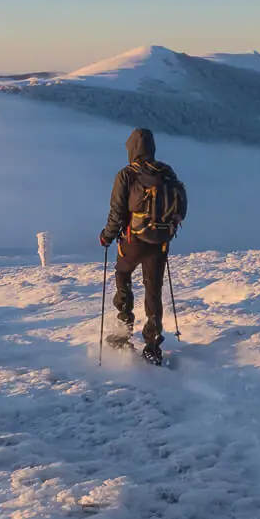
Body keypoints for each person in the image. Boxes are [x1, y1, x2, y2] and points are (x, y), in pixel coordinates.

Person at [100, 128, 187, 366]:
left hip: (133, 241)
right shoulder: (167, 172)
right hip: (160, 242)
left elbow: (117, 212)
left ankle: (124, 328)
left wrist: (106, 236)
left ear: (131, 149)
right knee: (154, 289)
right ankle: (152, 344)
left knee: (123, 273)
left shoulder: (127, 174)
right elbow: (180, 209)